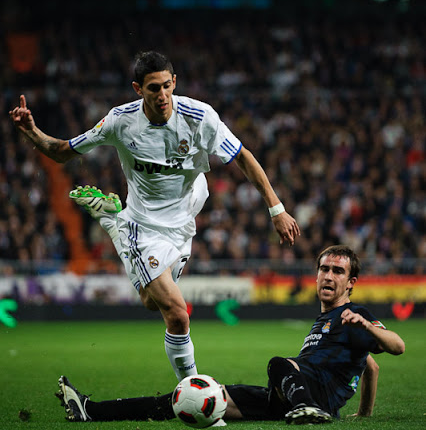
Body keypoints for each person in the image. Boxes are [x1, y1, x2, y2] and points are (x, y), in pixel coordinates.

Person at [10, 50, 300, 383]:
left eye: (166, 86)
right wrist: (31, 130)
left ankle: (111, 222)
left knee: (151, 302)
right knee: (176, 314)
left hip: (187, 212)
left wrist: (277, 209)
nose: (162, 95)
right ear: (138, 89)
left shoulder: (199, 116)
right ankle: (192, 390)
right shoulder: (120, 121)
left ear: (174, 82)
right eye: (153, 88)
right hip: (144, 225)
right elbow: (62, 152)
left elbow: (243, 157)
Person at [55, 245, 404, 425]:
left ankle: (307, 409)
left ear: (351, 282)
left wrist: (367, 326)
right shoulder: (327, 320)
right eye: (324, 269)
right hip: (282, 399)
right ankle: (91, 410)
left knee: (279, 364)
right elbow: (370, 367)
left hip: (310, 397)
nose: (328, 276)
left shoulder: (353, 316)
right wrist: (365, 414)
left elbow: (397, 346)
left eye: (338, 271)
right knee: (192, 396)